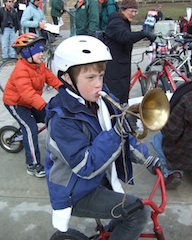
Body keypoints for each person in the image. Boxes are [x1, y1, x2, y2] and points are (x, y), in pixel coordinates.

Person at [44, 35, 162, 239]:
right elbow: (85, 166)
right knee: (139, 213)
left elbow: (124, 134)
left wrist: (146, 157)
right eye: (90, 78)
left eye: (101, 75)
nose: (99, 84)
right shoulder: (61, 118)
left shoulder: (102, 98)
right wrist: (116, 133)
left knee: (131, 208)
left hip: (101, 178)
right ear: (68, 78)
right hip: (76, 190)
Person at [3, 33, 62, 177]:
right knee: (30, 129)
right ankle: (32, 164)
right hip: (16, 103)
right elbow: (27, 93)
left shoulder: (39, 65)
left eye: (42, 51)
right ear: (27, 52)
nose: (42, 54)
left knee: (52, 117)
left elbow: (51, 79)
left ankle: (60, 149)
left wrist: (64, 89)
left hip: (30, 102)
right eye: (39, 52)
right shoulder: (21, 70)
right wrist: (44, 105)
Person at [104, 0, 156, 107]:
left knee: (122, 97)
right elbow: (125, 36)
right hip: (114, 69)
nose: (133, 14)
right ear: (122, 10)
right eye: (131, 11)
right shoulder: (116, 22)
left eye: (135, 11)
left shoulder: (123, 20)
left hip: (120, 66)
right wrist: (144, 34)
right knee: (115, 100)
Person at [150, 81, 192, 189]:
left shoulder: (187, 98)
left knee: (157, 139)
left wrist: (161, 121)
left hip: (186, 154)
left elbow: (171, 133)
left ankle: (172, 172)